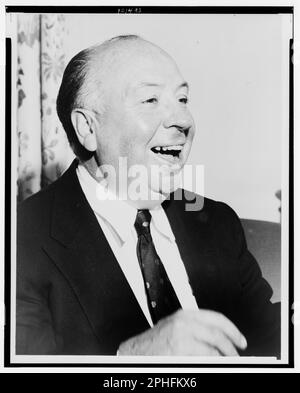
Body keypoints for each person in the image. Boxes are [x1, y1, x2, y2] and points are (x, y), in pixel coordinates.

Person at [16, 35, 280, 357]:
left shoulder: (218, 222)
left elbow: (272, 342)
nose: (184, 121)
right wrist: (131, 360)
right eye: (150, 100)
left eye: (182, 99)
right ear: (87, 128)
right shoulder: (19, 241)